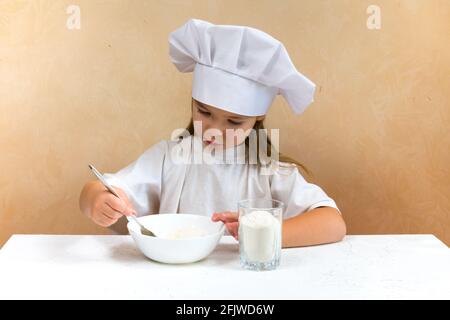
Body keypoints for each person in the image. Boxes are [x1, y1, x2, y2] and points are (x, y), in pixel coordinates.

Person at [79, 19, 346, 247]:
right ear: (193, 102)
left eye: (233, 121)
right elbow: (95, 189)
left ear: (258, 118)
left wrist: (262, 232)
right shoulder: (168, 158)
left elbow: (333, 223)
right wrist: (98, 201)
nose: (215, 131)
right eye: (204, 113)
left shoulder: (269, 173)